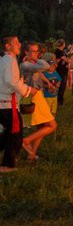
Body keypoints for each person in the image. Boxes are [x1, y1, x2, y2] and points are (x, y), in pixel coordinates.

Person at [0, 36, 40, 172]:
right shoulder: (9, 60)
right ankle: (7, 165)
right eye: (16, 43)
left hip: (5, 103)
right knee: (15, 135)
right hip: (7, 105)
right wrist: (28, 90)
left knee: (8, 134)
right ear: (7, 46)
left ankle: (7, 162)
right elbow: (11, 81)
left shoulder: (5, 60)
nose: (19, 45)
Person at [19, 42, 56, 160]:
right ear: (26, 52)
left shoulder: (31, 64)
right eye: (33, 51)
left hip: (38, 95)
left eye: (37, 51)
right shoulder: (26, 64)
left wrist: (48, 82)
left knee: (41, 127)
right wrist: (37, 59)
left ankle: (32, 154)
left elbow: (39, 73)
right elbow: (46, 66)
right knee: (52, 125)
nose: (36, 54)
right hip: (34, 97)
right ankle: (26, 141)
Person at [53, 39, 69, 107]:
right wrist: (68, 60)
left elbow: (63, 60)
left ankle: (59, 101)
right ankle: (60, 102)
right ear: (63, 44)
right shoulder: (59, 51)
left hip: (62, 70)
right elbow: (65, 59)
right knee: (62, 86)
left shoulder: (60, 51)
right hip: (61, 71)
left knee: (62, 86)